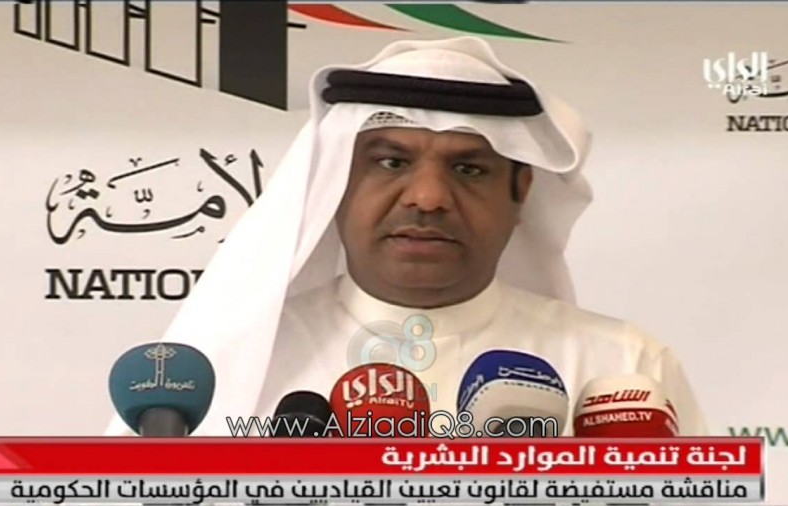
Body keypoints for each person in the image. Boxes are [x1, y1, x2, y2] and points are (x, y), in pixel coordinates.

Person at [106, 37, 707, 436]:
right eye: (391, 163)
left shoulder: (623, 368)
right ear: (334, 183)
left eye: (469, 168)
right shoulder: (218, 374)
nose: (428, 197)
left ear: (521, 190)